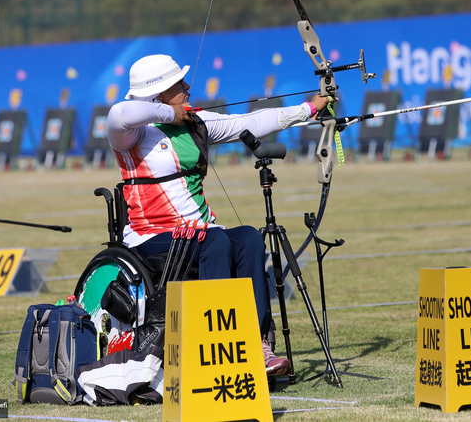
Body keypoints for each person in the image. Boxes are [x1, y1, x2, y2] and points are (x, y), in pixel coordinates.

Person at [106, 54, 330, 376]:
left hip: (199, 233)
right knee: (215, 242)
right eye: (178, 84)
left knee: (249, 239)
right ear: (158, 96)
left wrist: (308, 109)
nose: (187, 86)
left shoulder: (194, 124)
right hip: (152, 237)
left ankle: (256, 343)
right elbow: (119, 113)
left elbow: (247, 123)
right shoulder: (132, 136)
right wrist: (170, 112)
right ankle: (217, 346)